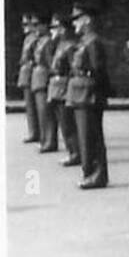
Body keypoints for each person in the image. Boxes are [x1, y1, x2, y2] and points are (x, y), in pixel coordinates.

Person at [66, 1, 111, 189]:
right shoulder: (85, 41)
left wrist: (98, 95)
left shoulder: (93, 42)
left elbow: (99, 70)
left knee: (91, 137)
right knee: (85, 136)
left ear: (86, 20)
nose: (74, 24)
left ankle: (96, 174)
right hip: (81, 93)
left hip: (89, 94)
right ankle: (89, 172)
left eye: (77, 20)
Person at [45, 14, 81, 165]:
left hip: (64, 86)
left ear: (63, 29)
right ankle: (72, 151)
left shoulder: (70, 45)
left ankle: (75, 153)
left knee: (68, 124)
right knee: (63, 122)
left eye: (56, 27)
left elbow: (74, 68)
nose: (53, 30)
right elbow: (50, 62)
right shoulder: (59, 44)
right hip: (56, 86)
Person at [29, 13, 56, 152]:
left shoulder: (48, 41)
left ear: (45, 26)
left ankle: (50, 141)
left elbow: (51, 62)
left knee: (46, 112)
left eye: (36, 25)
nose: (35, 28)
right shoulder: (40, 41)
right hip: (37, 77)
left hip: (43, 77)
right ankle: (44, 139)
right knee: (41, 112)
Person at [17, 12, 42, 143]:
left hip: (32, 73)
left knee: (35, 106)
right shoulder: (28, 38)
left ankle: (36, 132)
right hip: (26, 74)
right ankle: (33, 131)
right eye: (24, 24)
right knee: (30, 106)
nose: (25, 27)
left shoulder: (35, 39)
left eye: (28, 24)